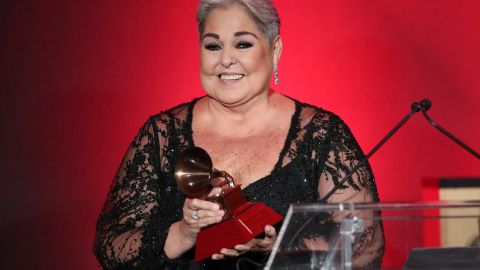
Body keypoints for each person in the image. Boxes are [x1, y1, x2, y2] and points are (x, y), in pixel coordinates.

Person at [94, 0, 384, 269]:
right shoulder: (160, 135)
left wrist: (280, 246)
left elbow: (366, 248)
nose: (226, 60)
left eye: (243, 44)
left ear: (275, 50)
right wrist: (183, 234)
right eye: (213, 46)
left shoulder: (322, 134)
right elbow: (110, 247)